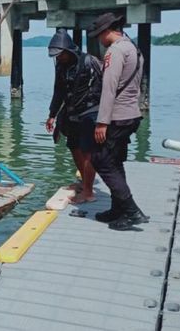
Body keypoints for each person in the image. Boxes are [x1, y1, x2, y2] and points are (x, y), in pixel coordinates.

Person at [87, 12, 146, 230]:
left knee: (101, 160)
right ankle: (118, 208)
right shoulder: (133, 48)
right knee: (115, 161)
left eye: (98, 35)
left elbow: (109, 88)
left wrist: (102, 122)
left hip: (117, 117)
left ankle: (131, 212)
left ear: (106, 32)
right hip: (131, 114)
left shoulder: (115, 51)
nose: (99, 40)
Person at [45, 29, 102, 204]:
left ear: (68, 50)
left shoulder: (90, 62)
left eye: (60, 55)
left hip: (90, 112)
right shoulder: (60, 66)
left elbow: (106, 87)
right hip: (72, 112)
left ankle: (89, 192)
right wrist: (52, 114)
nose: (58, 58)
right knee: (74, 147)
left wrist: (104, 119)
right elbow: (58, 90)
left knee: (87, 152)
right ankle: (85, 183)